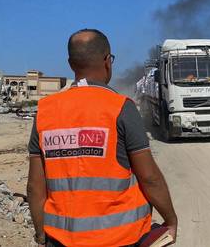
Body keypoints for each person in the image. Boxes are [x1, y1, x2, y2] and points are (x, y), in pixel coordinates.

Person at [27, 29, 177, 246]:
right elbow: (150, 178)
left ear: (71, 64)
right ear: (108, 61)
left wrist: (42, 235)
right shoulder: (120, 107)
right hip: (121, 238)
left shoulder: (45, 111)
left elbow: (34, 187)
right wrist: (170, 219)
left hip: (61, 240)